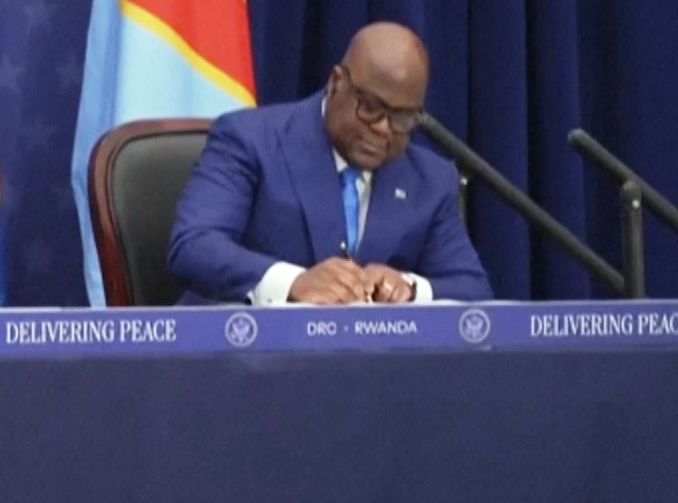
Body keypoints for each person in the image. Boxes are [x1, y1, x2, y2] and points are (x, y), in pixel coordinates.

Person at [167, 22, 493, 305]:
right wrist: (294, 283)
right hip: (250, 350)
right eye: (370, 107)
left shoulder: (430, 178)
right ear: (336, 83)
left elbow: (472, 289)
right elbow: (194, 246)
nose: (383, 128)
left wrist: (408, 288)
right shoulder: (250, 140)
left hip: (369, 358)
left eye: (402, 117)